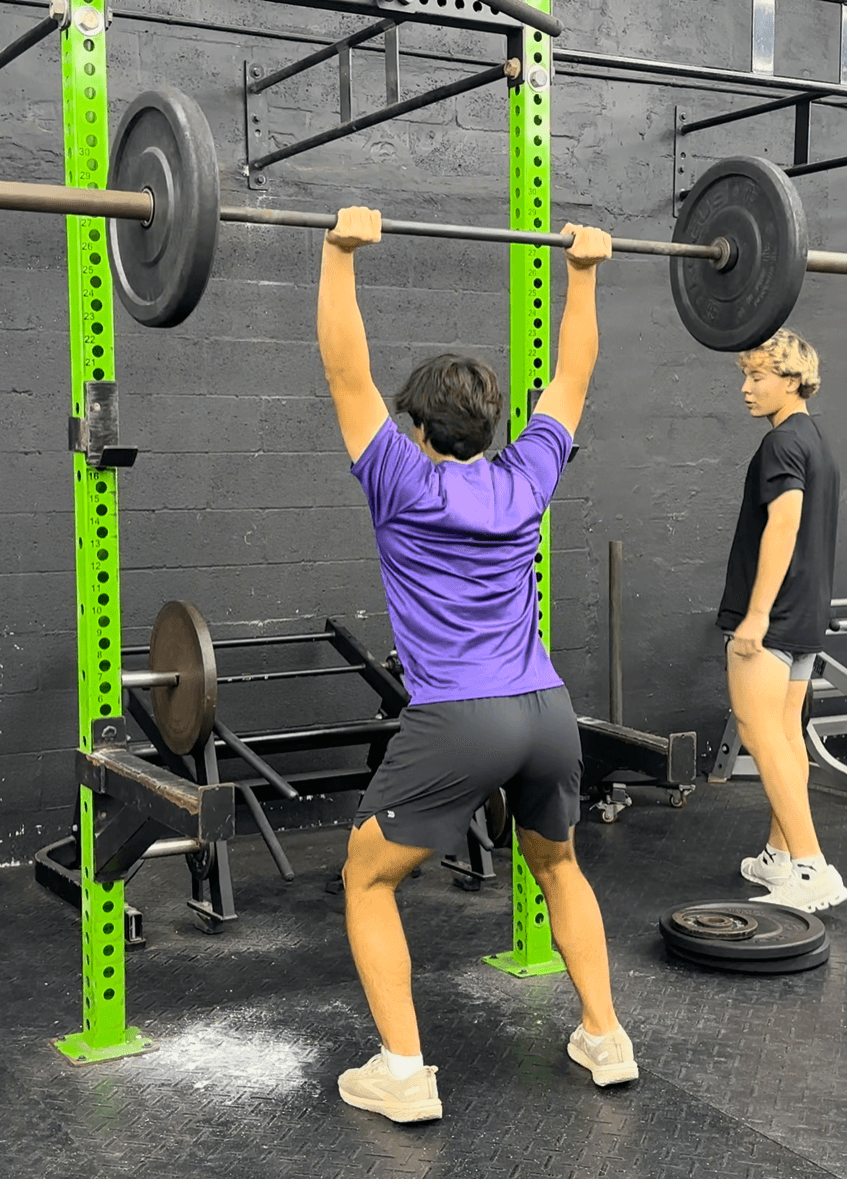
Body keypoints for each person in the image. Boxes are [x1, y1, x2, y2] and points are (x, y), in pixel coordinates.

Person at [315, 207, 634, 1125]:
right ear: (490, 422)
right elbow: (573, 372)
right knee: (559, 864)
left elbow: (345, 368)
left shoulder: (399, 479)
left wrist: (339, 253)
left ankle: (405, 1071)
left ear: (417, 425)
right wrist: (585, 269)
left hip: (462, 715)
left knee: (366, 878)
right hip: (545, 709)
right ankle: (606, 1037)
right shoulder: (525, 474)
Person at [716, 329, 847, 914]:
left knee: (759, 732)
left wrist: (756, 615)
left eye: (758, 378)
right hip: (806, 614)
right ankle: (778, 856)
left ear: (791, 381)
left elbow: (783, 524)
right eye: (744, 377)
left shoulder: (780, 446)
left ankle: (811, 867)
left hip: (774, 617)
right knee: (787, 735)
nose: (746, 389)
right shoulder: (813, 438)